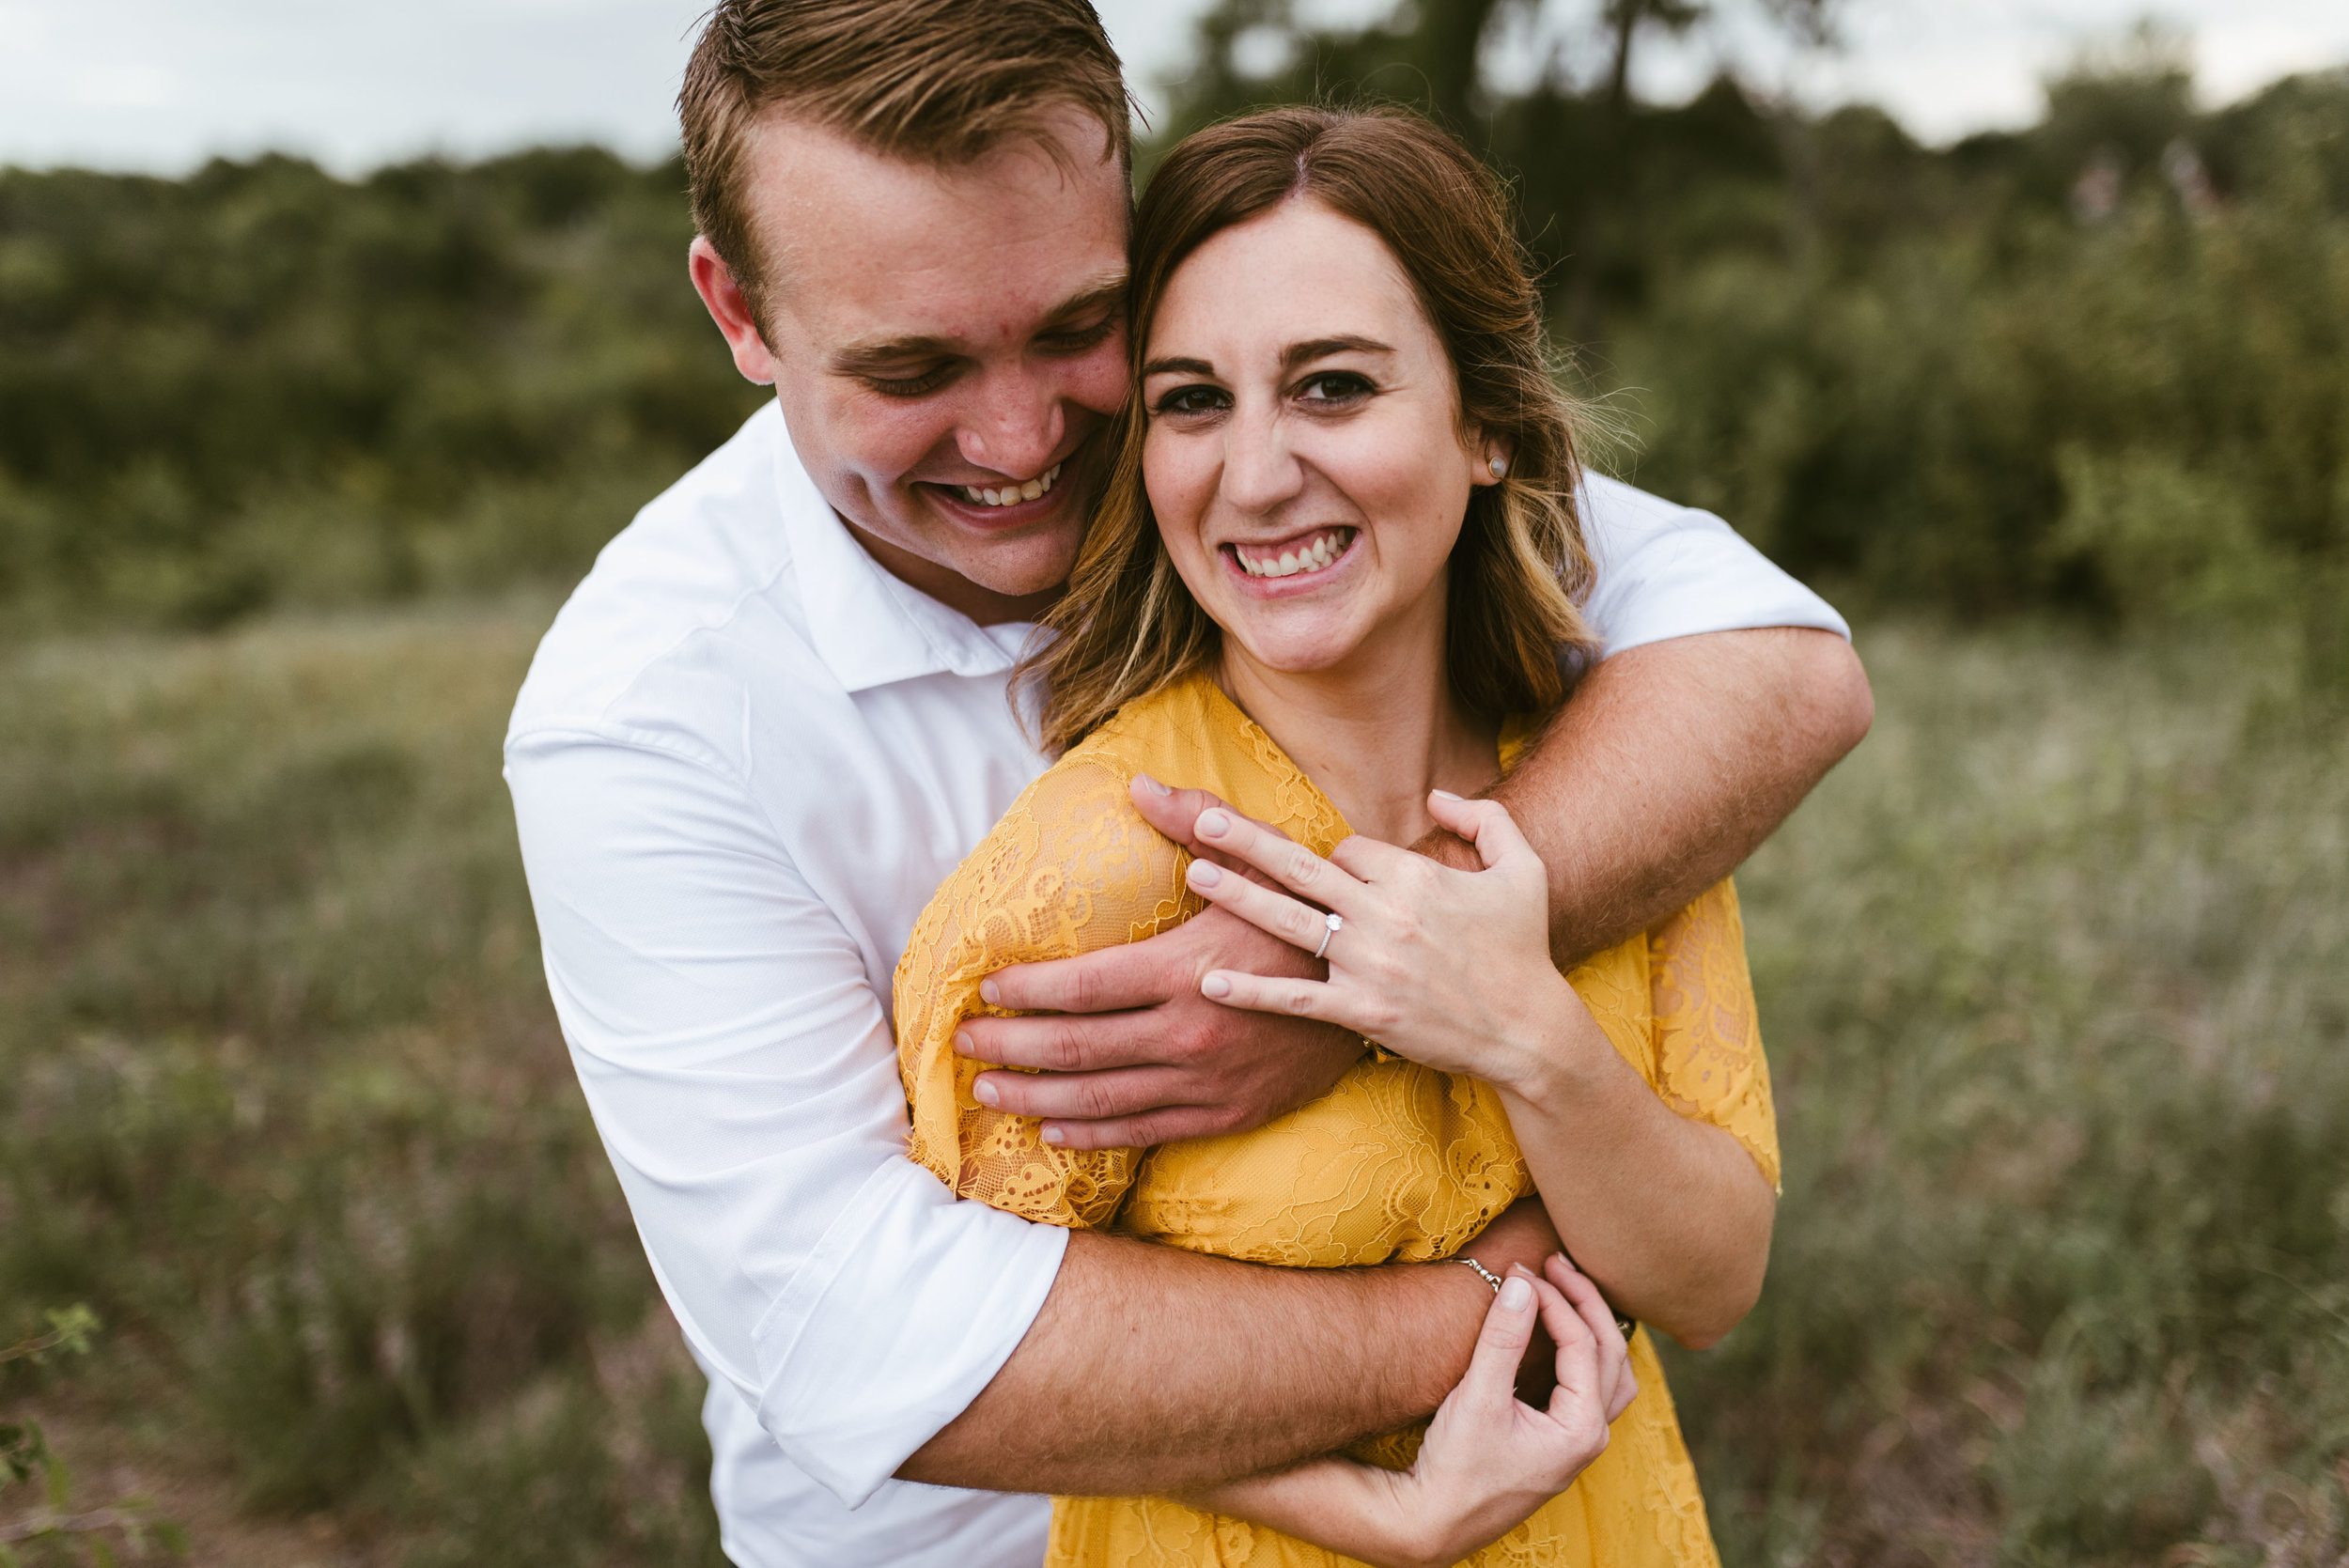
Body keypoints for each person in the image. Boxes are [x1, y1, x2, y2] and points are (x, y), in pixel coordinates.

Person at [502, 2, 1869, 1564]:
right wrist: (1488, 1315)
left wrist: (1344, 967)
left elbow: (1776, 664)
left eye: (1080, 326)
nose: (1023, 441)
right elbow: (858, 1330)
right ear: (738, 312)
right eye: (915, 366)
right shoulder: (644, 714)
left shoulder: (1243, 470)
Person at [895, 103, 1778, 1568]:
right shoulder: (1088, 874)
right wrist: (1383, 1511)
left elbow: (1717, 1275)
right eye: (1190, 401)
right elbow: (988, 1373)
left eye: (1332, 388)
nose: (1253, 476)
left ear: (1486, 422)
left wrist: (1519, 1025)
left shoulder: (1611, 777)